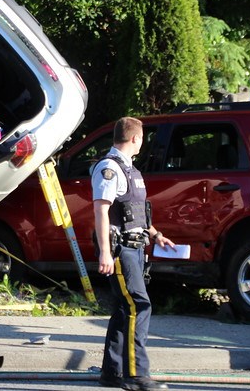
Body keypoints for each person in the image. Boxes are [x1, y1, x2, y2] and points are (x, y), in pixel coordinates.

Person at [92, 116, 174, 391]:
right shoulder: (109, 168)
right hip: (120, 250)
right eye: (142, 139)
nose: (143, 143)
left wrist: (157, 235)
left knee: (122, 308)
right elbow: (101, 210)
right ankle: (136, 374)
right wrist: (105, 252)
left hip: (136, 248)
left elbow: (136, 214)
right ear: (135, 138)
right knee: (138, 305)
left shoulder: (131, 171)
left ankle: (112, 372)